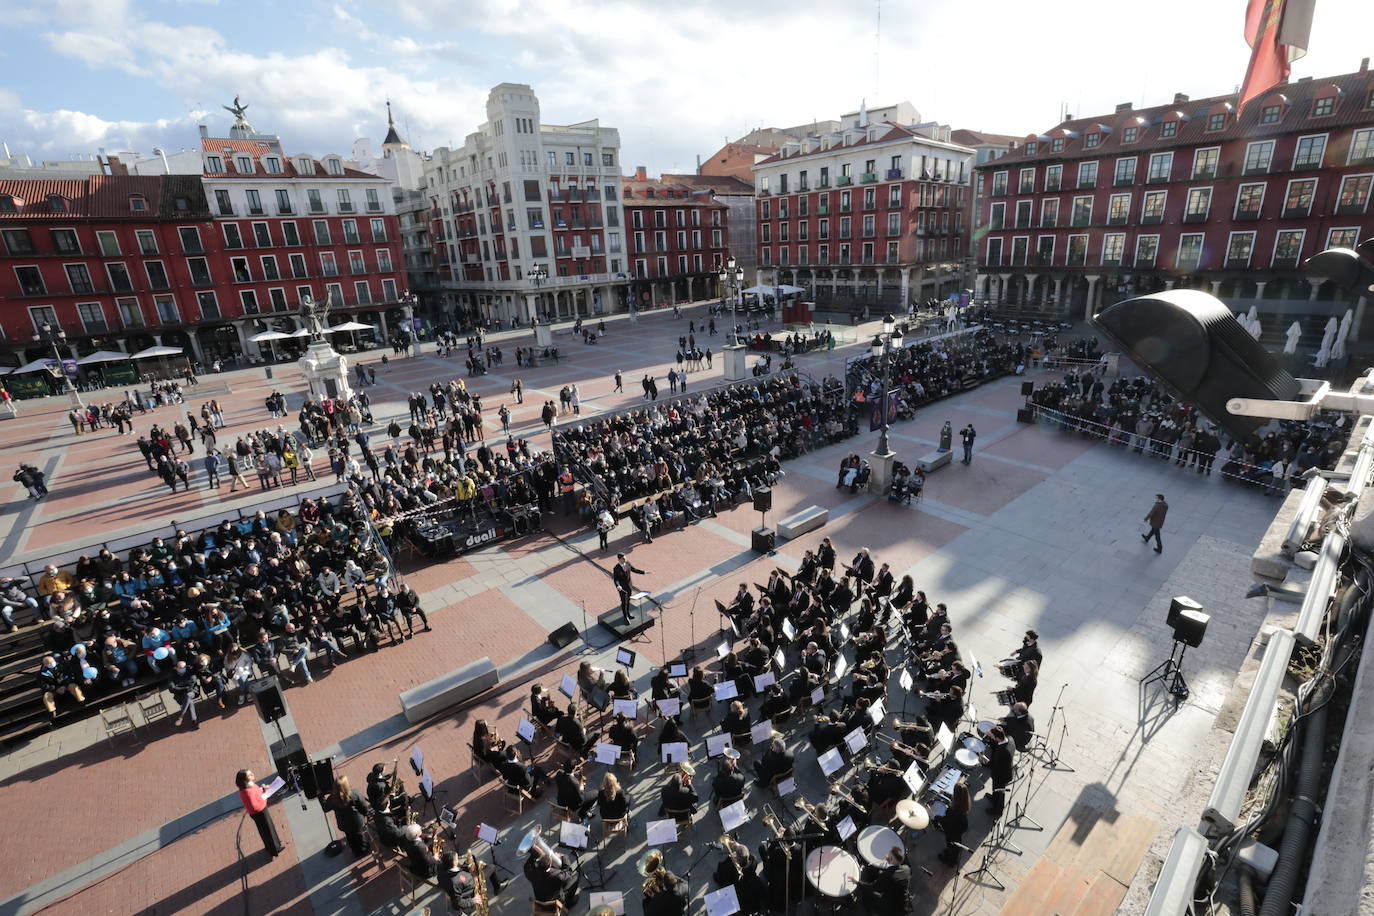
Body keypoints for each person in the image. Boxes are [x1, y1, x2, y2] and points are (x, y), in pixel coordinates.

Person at [236, 768, 284, 858]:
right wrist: (264, 799)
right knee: (268, 831)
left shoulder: (249, 785)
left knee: (265, 830)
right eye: (249, 775)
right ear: (245, 779)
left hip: (259, 812)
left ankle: (270, 847)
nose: (252, 774)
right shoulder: (247, 792)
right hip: (259, 813)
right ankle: (275, 849)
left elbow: (257, 792)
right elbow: (254, 807)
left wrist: (263, 789)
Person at [323, 775, 373, 856]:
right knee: (359, 836)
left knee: (349, 837)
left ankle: (355, 851)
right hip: (356, 822)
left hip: (343, 823)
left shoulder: (332, 799)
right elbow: (363, 806)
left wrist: (320, 797)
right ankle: (363, 850)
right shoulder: (354, 793)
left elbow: (325, 808)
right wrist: (365, 814)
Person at [641, 848, 690, 916]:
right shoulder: (680, 891)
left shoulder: (654, 902)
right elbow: (686, 884)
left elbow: (647, 912)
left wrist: (648, 898)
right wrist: (673, 877)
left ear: (665, 885)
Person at [937, 781, 972, 866]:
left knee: (952, 843)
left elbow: (947, 822)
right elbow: (953, 797)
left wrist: (937, 818)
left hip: (953, 830)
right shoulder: (963, 802)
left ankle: (951, 861)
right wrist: (944, 793)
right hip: (960, 827)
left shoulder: (954, 811)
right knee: (954, 843)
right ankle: (952, 853)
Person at [983, 725, 1014, 817]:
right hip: (1001, 771)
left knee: (1000, 794)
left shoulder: (1003, 752)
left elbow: (994, 764)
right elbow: (996, 744)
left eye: (993, 736)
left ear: (997, 738)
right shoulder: (1009, 738)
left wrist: (985, 759)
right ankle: (994, 798)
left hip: (1002, 776)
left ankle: (997, 811)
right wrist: (991, 736)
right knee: (995, 789)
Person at [437, 849, 481, 913]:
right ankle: (496, 886)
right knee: (491, 867)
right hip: (469, 890)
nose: (459, 858)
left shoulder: (440, 866)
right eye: (457, 858)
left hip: (459, 885)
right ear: (454, 862)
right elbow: (458, 903)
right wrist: (473, 900)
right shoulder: (455, 882)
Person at [612, 554, 647, 624]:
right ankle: (625, 617)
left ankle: (628, 613)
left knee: (628, 600)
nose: (625, 559)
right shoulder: (616, 568)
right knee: (624, 602)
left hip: (629, 586)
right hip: (622, 588)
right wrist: (618, 586)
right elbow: (616, 579)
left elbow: (634, 570)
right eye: (623, 558)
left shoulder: (628, 563)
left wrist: (644, 572)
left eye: (625, 558)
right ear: (619, 559)